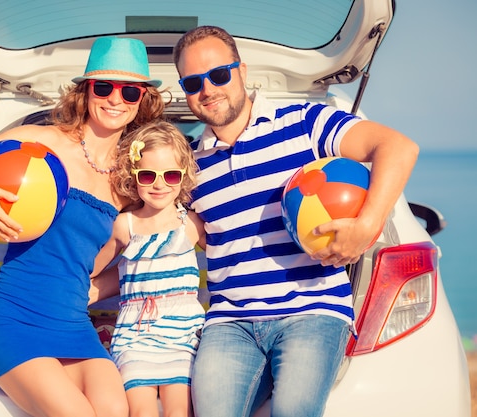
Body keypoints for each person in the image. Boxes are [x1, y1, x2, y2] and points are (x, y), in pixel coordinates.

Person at [172, 26, 419, 417]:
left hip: (313, 311)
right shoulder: (185, 164)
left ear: (242, 71)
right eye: (193, 82)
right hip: (229, 322)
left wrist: (366, 227)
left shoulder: (305, 123)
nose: (208, 89)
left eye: (219, 74)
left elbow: (398, 147)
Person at [0, 36, 164, 417]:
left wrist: (97, 288)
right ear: (86, 92)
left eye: (130, 92)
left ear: (142, 100)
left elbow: (145, 249)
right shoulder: (46, 144)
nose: (115, 99)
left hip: (74, 325)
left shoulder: (128, 182)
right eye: (104, 87)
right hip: (14, 322)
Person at [90, 120, 205, 417]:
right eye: (147, 175)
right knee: (141, 413)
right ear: (133, 176)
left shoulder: (190, 224)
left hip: (183, 333)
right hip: (136, 335)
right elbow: (89, 270)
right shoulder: (124, 225)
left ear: (183, 176)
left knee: (179, 411)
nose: (159, 184)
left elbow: (231, 258)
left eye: (170, 175)